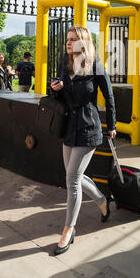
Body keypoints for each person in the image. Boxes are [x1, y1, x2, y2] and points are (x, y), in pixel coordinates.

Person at [51, 26, 116, 256]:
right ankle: (102, 200)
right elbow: (59, 95)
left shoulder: (95, 65)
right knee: (73, 175)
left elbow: (109, 97)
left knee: (72, 179)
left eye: (73, 40)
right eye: (67, 40)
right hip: (69, 125)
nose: (68, 44)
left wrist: (113, 126)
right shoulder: (64, 63)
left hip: (88, 126)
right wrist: (56, 88)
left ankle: (68, 230)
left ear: (83, 43)